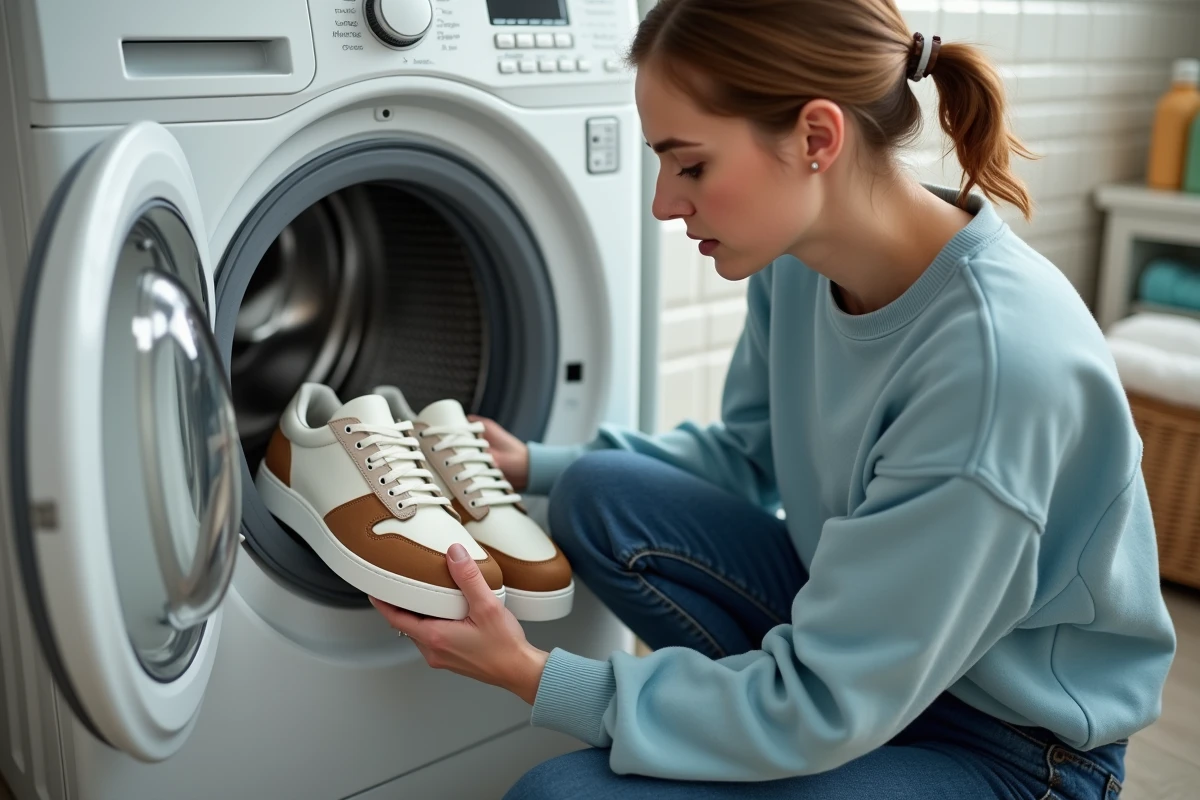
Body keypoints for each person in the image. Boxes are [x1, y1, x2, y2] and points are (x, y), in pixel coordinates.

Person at [368, 0, 1177, 796]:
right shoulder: (805, 258)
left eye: (691, 165)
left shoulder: (991, 372)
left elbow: (822, 701)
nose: (663, 202)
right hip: (883, 657)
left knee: (558, 795)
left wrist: (532, 674)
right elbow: (749, 455)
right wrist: (535, 464)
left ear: (817, 138)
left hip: (1015, 744)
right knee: (595, 491)